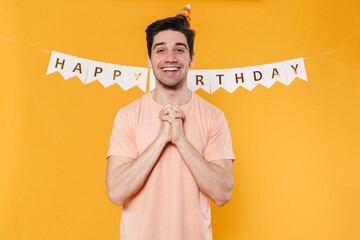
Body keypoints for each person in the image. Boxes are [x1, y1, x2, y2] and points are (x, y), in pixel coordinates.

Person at [106, 13, 235, 240]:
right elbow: (116, 192)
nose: (170, 58)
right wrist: (161, 140)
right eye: (161, 50)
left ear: (191, 58)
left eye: (179, 49)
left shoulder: (214, 117)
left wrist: (181, 140)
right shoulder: (127, 116)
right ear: (149, 59)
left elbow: (223, 193)